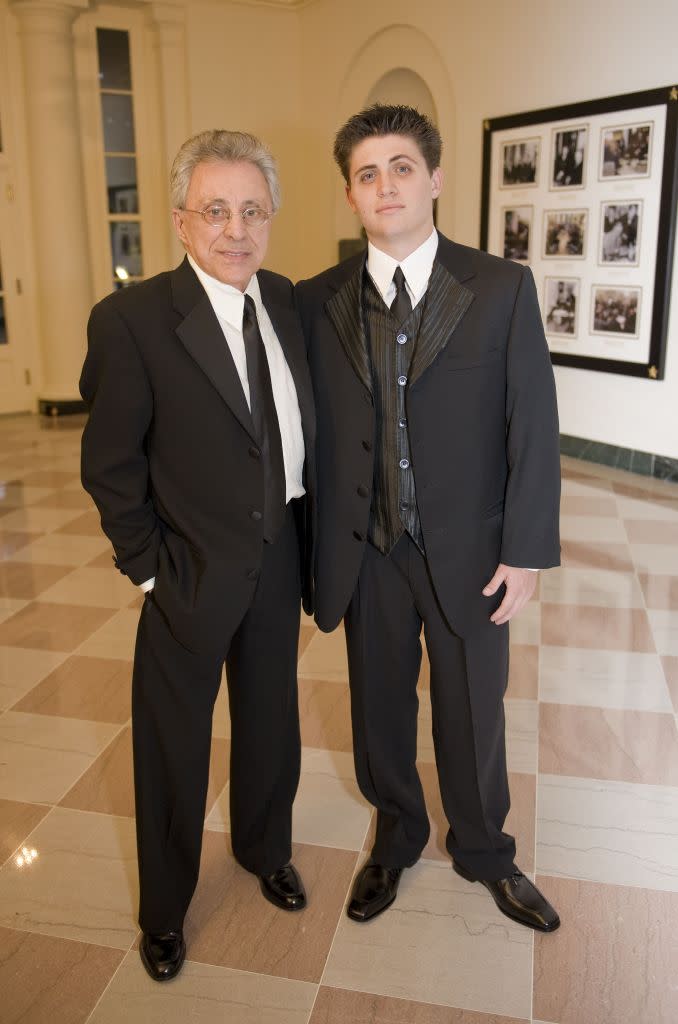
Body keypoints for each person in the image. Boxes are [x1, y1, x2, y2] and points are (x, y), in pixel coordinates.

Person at [296, 105, 561, 932]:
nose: (387, 185)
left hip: (474, 548)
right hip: (366, 548)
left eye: (402, 167)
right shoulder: (314, 301)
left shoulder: (501, 287)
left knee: (475, 709)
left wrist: (525, 551)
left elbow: (534, 425)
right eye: (368, 173)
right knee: (379, 707)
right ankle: (396, 837)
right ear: (350, 193)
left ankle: (486, 849)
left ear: (435, 178)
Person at [80, 130, 315, 982]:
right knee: (174, 747)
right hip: (186, 569)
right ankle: (165, 913)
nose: (236, 229)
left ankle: (264, 850)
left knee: (271, 724)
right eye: (215, 210)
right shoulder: (132, 320)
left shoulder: (288, 302)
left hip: (279, 555)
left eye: (252, 210)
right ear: (182, 223)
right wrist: (147, 567)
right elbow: (109, 464)